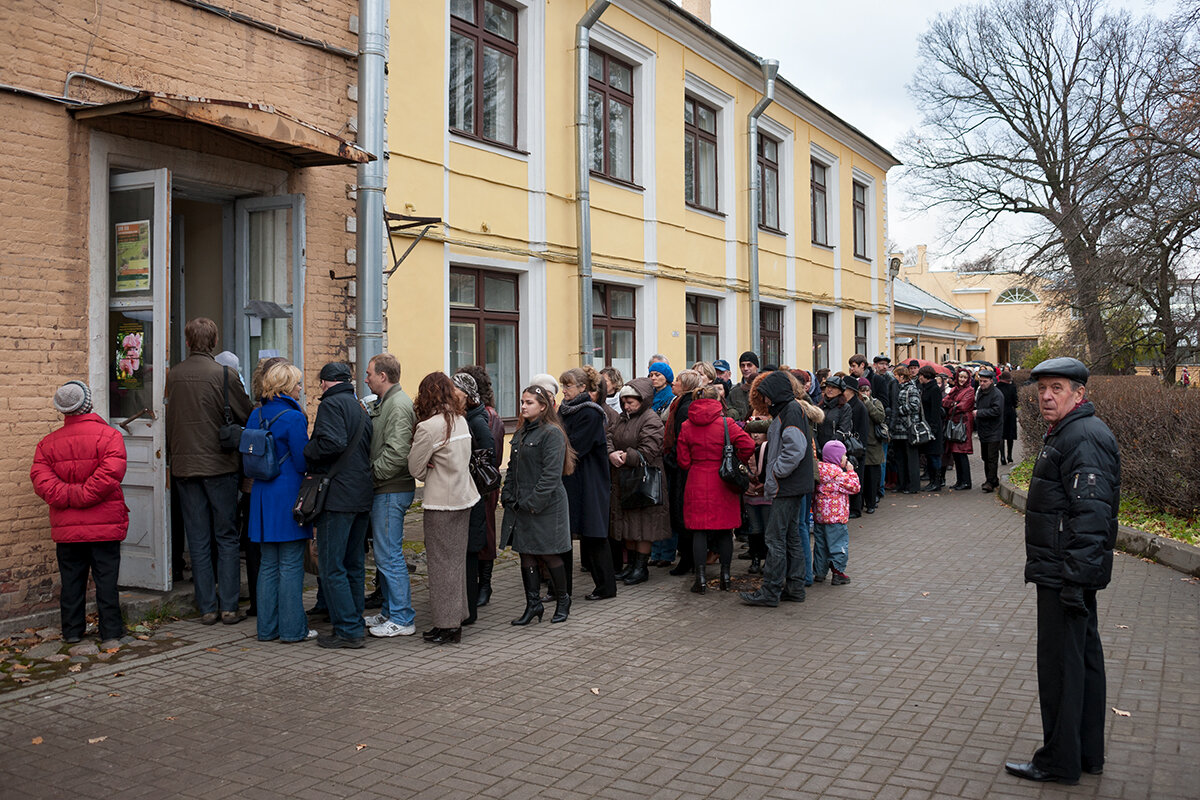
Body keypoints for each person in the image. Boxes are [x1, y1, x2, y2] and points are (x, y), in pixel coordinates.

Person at [1004, 357, 1120, 786]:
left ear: (1079, 393)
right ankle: (1085, 753)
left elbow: (1091, 517)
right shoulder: (1072, 432)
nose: (1047, 397)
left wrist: (1074, 581)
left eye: (1056, 388)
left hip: (1064, 574)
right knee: (1082, 663)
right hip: (1066, 571)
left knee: (1061, 670)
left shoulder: (1083, 437)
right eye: (1041, 390)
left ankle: (1058, 760)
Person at [165, 317, 252, 625]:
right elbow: (248, 413)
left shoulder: (173, 375)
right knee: (226, 536)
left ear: (188, 342)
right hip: (220, 466)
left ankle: (206, 608)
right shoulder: (224, 374)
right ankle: (229, 606)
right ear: (214, 343)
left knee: (198, 538)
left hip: (185, 467)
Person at [30, 381, 128, 646]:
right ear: (88, 403)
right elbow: (111, 475)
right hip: (104, 525)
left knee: (71, 581)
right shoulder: (110, 437)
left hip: (68, 526)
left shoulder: (47, 444)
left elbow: (41, 479)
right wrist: (83, 495)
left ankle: (72, 631)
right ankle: (111, 632)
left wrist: (68, 495)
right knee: (106, 580)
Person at [244, 362, 315, 643]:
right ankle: (292, 630)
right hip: (287, 494)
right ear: (286, 386)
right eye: (297, 384)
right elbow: (301, 460)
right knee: (290, 565)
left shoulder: (256, 414)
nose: (300, 388)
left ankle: (267, 628)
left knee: (268, 565)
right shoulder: (294, 417)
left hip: (262, 494)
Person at [304, 362, 373, 649]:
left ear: (325, 383)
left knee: (332, 565)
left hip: (338, 497)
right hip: (361, 495)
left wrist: (308, 450)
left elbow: (331, 443)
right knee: (354, 563)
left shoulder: (331, 405)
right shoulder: (359, 407)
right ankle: (354, 621)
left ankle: (347, 629)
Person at [408, 372, 480, 644]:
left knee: (441, 565)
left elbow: (414, 467)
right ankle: (455, 616)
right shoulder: (460, 420)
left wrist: (429, 472)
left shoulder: (429, 427)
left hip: (441, 503)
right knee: (456, 562)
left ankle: (448, 625)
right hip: (464, 497)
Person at [739, 370, 815, 607]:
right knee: (790, 537)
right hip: (793, 485)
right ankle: (794, 587)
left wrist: (774, 473)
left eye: (767, 396)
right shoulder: (790, 409)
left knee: (775, 538)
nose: (766, 401)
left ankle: (770, 591)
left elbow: (794, 449)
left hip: (786, 486)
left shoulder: (790, 411)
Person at [502, 384, 575, 625]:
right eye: (522, 402)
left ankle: (563, 600)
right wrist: (508, 493)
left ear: (543, 407)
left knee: (549, 553)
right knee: (526, 554)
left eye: (529, 402)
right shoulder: (522, 432)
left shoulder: (551, 433)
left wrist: (532, 503)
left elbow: (551, 475)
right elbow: (512, 468)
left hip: (546, 505)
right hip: (522, 504)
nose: (523, 406)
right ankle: (533, 605)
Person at [675, 385, 754, 593]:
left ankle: (700, 579)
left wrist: (696, 464)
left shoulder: (686, 425)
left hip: (697, 480)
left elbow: (682, 461)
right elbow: (747, 445)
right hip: (723, 480)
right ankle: (725, 577)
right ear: (718, 400)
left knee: (699, 531)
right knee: (725, 531)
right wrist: (737, 461)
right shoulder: (727, 424)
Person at [361, 353, 418, 638]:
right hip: (386, 488)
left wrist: (370, 477)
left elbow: (397, 453)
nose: (366, 377)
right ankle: (390, 610)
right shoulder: (388, 402)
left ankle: (403, 618)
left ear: (383, 376)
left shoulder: (397, 405)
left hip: (390, 489)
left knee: (389, 555)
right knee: (385, 554)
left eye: (369, 373)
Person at [558, 367, 614, 601]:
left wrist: (554, 450)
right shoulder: (563, 410)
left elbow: (577, 446)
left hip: (590, 482)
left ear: (582, 388)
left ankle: (606, 587)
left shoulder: (591, 413)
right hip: (570, 480)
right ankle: (561, 589)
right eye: (563, 386)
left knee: (594, 535)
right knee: (563, 535)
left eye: (568, 386)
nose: (564, 391)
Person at [607, 377, 670, 585]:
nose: (626, 405)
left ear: (642, 400)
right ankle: (631, 566)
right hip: (624, 479)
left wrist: (626, 456)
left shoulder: (650, 419)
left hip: (643, 479)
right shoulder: (622, 418)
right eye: (624, 401)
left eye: (630, 402)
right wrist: (611, 453)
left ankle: (641, 568)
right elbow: (608, 436)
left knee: (643, 526)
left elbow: (650, 449)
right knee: (629, 525)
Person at [455, 365, 505, 607]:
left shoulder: (488, 416)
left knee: (485, 534)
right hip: (470, 484)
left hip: (482, 484)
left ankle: (485, 584)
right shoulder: (471, 414)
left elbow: (489, 454)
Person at [449, 371, 494, 628]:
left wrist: (469, 471)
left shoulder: (477, 420)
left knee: (468, 553)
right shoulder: (466, 417)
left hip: (473, 493)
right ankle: (465, 607)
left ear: (465, 394)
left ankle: (470, 610)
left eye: (454, 390)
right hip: (467, 492)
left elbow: (488, 455)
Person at [659, 369, 703, 573]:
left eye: (677, 380)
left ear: (686, 386)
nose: (673, 383)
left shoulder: (685, 407)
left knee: (682, 513)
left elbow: (681, 439)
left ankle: (688, 560)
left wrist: (670, 458)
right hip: (678, 464)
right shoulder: (680, 404)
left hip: (681, 467)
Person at [811, 439, 860, 585]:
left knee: (820, 545)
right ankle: (838, 572)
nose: (846, 458)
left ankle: (819, 572)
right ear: (837, 458)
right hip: (836, 518)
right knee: (838, 544)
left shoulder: (819, 471)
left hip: (820, 517)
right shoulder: (838, 475)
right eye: (844, 456)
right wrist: (851, 471)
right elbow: (855, 487)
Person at [839, 376, 870, 518]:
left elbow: (863, 430)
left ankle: (856, 508)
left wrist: (860, 449)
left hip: (856, 448)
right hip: (849, 447)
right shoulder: (846, 405)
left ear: (850, 391)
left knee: (857, 477)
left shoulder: (859, 407)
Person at [943, 367, 976, 490]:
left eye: (965, 377)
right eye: (960, 377)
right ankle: (959, 480)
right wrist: (953, 404)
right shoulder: (955, 389)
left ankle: (966, 481)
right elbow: (944, 401)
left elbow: (963, 406)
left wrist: (952, 405)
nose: (962, 379)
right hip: (954, 423)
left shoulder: (970, 390)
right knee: (956, 454)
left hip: (963, 424)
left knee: (962, 453)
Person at [891, 366, 922, 494]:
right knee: (900, 458)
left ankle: (913, 485)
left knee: (911, 458)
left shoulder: (911, 388)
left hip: (909, 429)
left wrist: (899, 410)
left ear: (902, 376)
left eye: (896, 376)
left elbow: (915, 405)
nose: (895, 378)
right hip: (898, 430)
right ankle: (901, 484)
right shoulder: (899, 388)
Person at [975, 369, 1005, 492]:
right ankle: (992, 479)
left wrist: (979, 413)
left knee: (992, 457)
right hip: (984, 430)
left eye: (985, 381)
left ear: (991, 381)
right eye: (980, 381)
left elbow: (996, 411)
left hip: (994, 431)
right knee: (986, 457)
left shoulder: (997, 394)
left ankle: (990, 481)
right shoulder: (981, 393)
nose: (982, 383)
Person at [917, 366, 946, 491]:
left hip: (933, 427)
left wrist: (933, 428)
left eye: (920, 376)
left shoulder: (934, 389)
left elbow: (935, 410)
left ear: (925, 376)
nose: (919, 378)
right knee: (929, 455)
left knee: (934, 455)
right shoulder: (926, 388)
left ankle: (937, 482)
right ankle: (933, 480)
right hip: (928, 426)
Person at [858, 378, 885, 514]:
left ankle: (871, 503)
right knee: (862, 477)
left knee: (873, 477)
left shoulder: (875, 402)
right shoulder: (855, 404)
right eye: (862, 390)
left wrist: (868, 404)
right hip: (861, 445)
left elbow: (880, 417)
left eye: (867, 390)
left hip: (873, 445)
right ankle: (861, 502)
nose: (864, 393)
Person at [728, 351, 760, 421]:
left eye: (749, 365)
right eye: (743, 365)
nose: (745, 368)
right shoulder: (734, 392)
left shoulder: (764, 389)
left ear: (756, 367)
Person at [997, 370, 1019, 465]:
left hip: (999, 413)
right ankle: (1009, 456)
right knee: (1010, 436)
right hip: (1010, 413)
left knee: (1001, 435)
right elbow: (1016, 402)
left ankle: (1002, 456)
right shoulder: (1012, 387)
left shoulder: (997, 388)